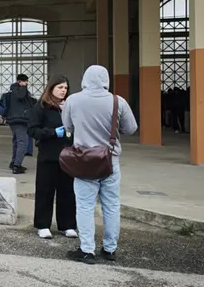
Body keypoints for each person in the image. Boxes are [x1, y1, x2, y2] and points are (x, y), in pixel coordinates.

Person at [62, 65, 137, 264]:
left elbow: (68, 127)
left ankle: (87, 250)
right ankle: (110, 249)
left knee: (85, 206)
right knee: (111, 205)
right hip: (109, 160)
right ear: (106, 80)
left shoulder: (73, 100)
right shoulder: (117, 101)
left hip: (84, 160)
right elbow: (131, 128)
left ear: (84, 79)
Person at [27, 75, 76, 240]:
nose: (63, 91)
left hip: (68, 155)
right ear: (52, 88)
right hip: (48, 155)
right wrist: (52, 132)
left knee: (67, 191)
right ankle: (42, 225)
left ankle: (67, 225)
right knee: (45, 191)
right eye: (60, 87)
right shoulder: (41, 107)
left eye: (65, 88)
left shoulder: (70, 107)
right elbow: (32, 130)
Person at [6, 74, 36, 174]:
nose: (27, 84)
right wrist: (23, 86)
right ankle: (16, 166)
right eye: (26, 82)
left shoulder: (15, 90)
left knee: (16, 142)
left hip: (16, 119)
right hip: (19, 120)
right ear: (22, 81)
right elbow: (21, 96)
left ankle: (14, 162)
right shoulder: (17, 90)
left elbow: (28, 101)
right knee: (23, 143)